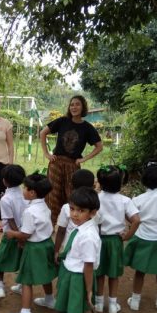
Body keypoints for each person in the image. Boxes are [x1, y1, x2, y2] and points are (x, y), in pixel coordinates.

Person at [51, 187, 100, 313]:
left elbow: (88, 265)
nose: (75, 214)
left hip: (78, 278)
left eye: (81, 210)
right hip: (77, 275)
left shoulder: (88, 236)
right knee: (84, 309)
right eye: (72, 209)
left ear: (92, 213)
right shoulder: (83, 228)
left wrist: (88, 290)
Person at [36, 169, 97, 310]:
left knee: (69, 276)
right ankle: (85, 302)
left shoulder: (66, 207)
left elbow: (61, 229)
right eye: (73, 210)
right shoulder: (93, 206)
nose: (75, 213)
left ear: (71, 184)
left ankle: (69, 305)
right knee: (83, 276)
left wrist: (56, 250)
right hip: (87, 249)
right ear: (93, 185)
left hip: (71, 250)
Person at [40, 95, 103, 225]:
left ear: (83, 107)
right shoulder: (62, 121)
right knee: (53, 194)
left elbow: (99, 146)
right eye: (72, 104)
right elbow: (43, 133)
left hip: (73, 165)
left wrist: (83, 159)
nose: (74, 107)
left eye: (77, 104)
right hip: (56, 163)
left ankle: (70, 226)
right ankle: (50, 225)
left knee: (72, 195)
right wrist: (47, 153)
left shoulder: (87, 127)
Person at [6, 173, 56, 313]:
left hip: (34, 248)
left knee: (26, 280)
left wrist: (12, 233)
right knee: (46, 273)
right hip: (46, 244)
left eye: (25, 188)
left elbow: (25, 234)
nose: (23, 190)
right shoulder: (44, 206)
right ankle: (49, 299)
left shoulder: (30, 211)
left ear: (32, 192)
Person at [123, 162, 157, 311]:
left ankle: (135, 301)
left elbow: (129, 216)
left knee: (140, 271)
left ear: (144, 181)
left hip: (142, 237)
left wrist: (133, 224)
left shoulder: (138, 198)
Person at [95, 165, 140, 313]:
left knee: (99, 272)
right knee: (113, 274)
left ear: (100, 183)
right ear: (121, 182)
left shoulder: (96, 198)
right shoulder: (125, 201)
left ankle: (99, 303)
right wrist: (128, 236)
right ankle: (113, 304)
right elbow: (136, 220)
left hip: (99, 240)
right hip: (115, 241)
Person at [0, 164, 27, 302]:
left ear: (4, 181)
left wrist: (18, 237)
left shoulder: (5, 199)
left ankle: (0, 286)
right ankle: (21, 285)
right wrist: (22, 237)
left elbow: (10, 219)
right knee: (22, 260)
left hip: (11, 234)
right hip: (25, 233)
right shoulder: (25, 194)